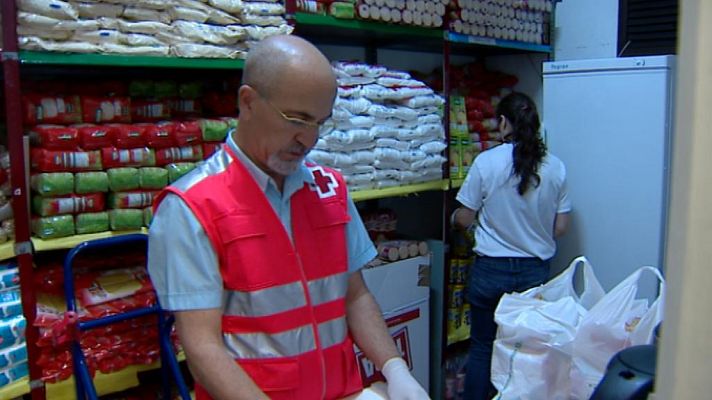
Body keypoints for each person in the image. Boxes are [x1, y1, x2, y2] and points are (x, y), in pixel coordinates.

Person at [147, 35, 429, 400]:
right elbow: (203, 349)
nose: (309, 139)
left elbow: (355, 295)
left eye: (320, 123)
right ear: (247, 102)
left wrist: (395, 368)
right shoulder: (192, 207)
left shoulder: (329, 189)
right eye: (297, 119)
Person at [451, 92, 572, 399]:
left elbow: (465, 216)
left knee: (482, 347)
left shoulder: (486, 162)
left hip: (490, 271)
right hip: (534, 274)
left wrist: (462, 220)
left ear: (503, 122)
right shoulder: (555, 167)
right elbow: (561, 227)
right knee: (526, 350)